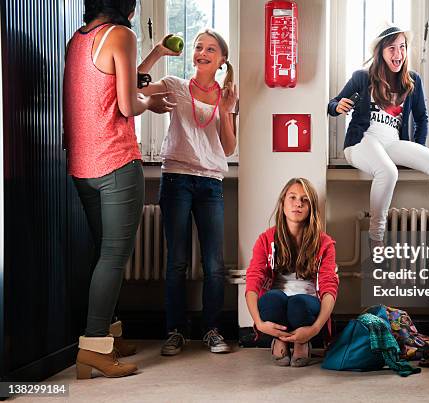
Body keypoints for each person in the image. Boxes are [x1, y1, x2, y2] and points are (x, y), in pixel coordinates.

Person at [64, 0, 175, 379]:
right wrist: (152, 103)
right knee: (113, 256)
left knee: (102, 253)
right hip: (115, 162)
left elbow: (112, 83)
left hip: (83, 166)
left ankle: (107, 337)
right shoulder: (122, 35)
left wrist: (152, 60)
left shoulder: (78, 40)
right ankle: (94, 346)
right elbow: (128, 104)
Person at [137, 28, 238, 355]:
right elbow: (131, 84)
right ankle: (175, 331)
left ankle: (211, 330)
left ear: (221, 59)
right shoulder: (175, 86)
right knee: (177, 261)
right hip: (177, 179)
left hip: (211, 183)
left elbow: (229, 147)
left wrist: (225, 110)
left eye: (210, 49)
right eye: (198, 47)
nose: (202, 53)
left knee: (214, 264)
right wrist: (157, 52)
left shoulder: (227, 95)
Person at [328, 22, 429, 255]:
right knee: (388, 172)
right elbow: (332, 104)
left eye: (402, 47)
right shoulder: (362, 77)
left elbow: (422, 119)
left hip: (392, 143)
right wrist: (338, 106)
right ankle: (375, 238)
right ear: (380, 52)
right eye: (391, 48)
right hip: (361, 142)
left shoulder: (413, 81)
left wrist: (415, 152)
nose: (398, 54)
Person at [245, 178, 339, 367]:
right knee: (272, 299)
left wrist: (315, 329)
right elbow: (253, 280)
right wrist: (259, 323)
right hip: (276, 304)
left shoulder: (324, 243)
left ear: (311, 207)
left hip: (306, 306)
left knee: (298, 303)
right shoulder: (266, 239)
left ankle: (301, 341)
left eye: (305, 200)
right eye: (293, 197)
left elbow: (330, 287)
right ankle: (279, 339)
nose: (298, 203)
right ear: (282, 202)